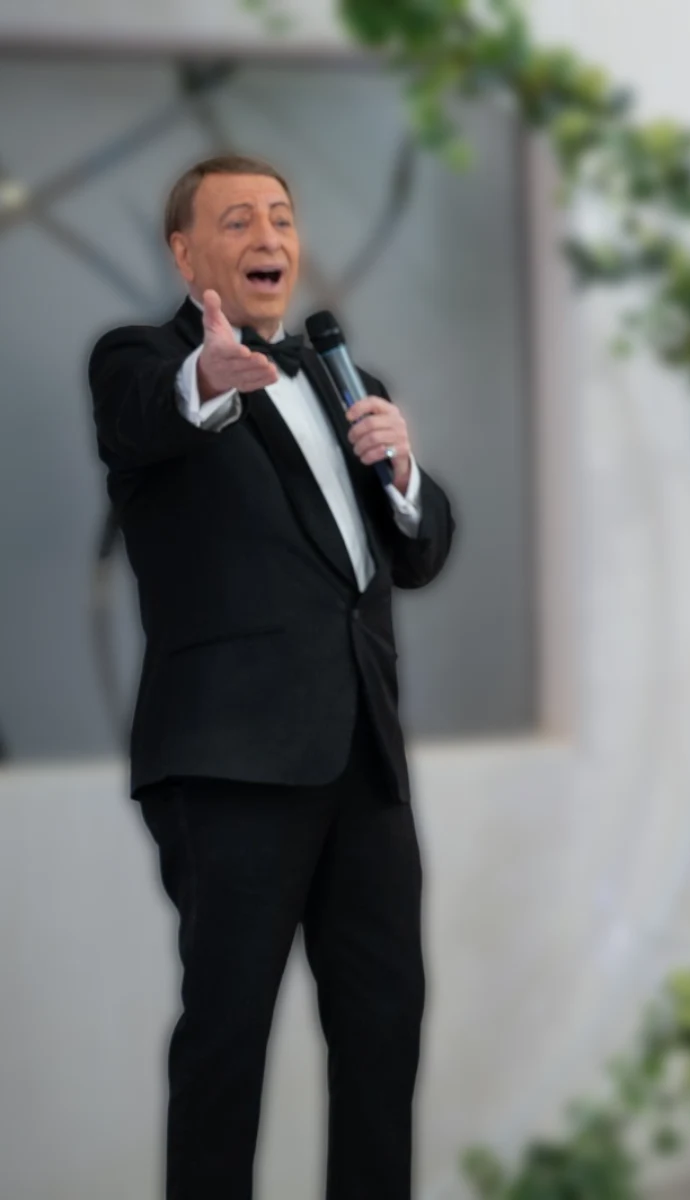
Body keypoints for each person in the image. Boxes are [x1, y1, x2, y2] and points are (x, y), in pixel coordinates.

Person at [87, 155, 454, 1199]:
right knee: (227, 1037)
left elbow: (417, 554)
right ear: (184, 253)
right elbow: (149, 414)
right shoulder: (143, 360)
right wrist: (208, 379)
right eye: (239, 219)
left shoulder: (347, 383)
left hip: (364, 762)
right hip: (232, 762)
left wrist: (404, 471)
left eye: (283, 218)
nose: (269, 237)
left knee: (384, 1027)